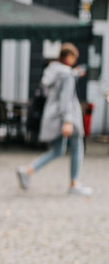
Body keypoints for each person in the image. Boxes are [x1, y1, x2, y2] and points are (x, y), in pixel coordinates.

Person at [16, 43, 92, 196]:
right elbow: (65, 98)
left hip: (52, 115)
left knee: (57, 150)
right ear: (69, 57)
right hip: (67, 116)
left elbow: (57, 86)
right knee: (77, 146)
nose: (75, 60)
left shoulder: (53, 70)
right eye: (74, 57)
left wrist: (74, 74)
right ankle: (74, 183)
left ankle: (27, 170)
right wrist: (68, 120)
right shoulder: (67, 74)